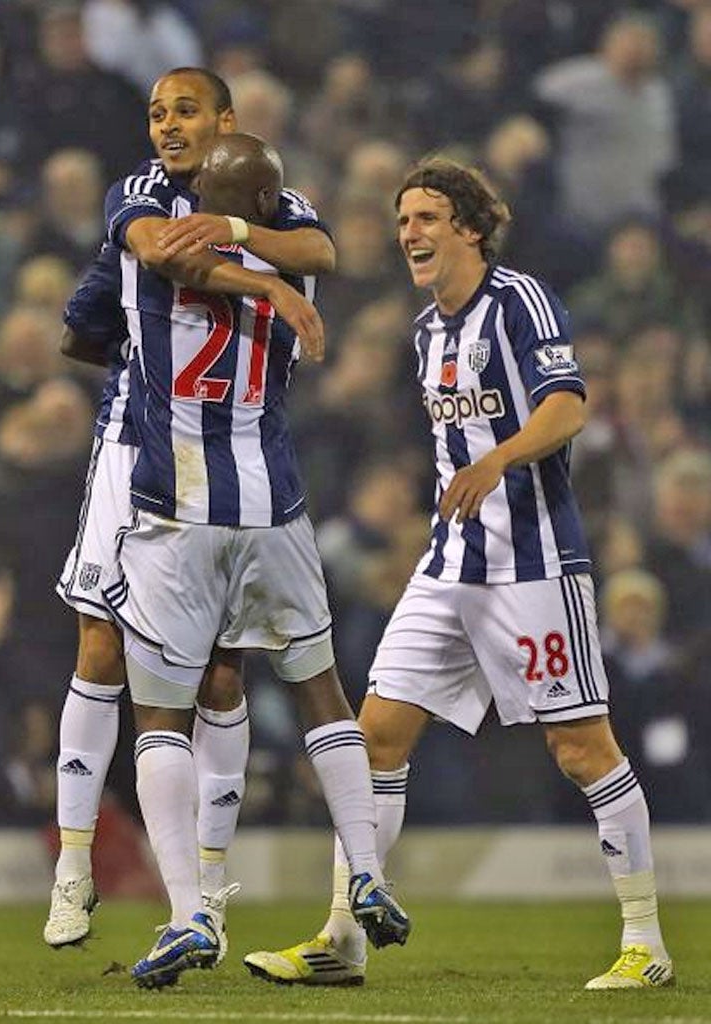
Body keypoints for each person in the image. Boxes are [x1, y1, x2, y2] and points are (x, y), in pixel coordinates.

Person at [244, 158, 674, 991]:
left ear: (470, 227)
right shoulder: (423, 332)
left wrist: (500, 461)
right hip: (447, 566)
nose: (410, 232)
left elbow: (569, 403)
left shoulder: (519, 301)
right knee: (372, 741)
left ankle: (645, 941)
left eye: (428, 217)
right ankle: (342, 939)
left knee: (580, 747)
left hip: (535, 565)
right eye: (403, 219)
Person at [102, 124, 409, 988]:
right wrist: (281, 292)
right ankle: (369, 877)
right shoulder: (291, 250)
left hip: (179, 512)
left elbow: (176, 257)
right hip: (275, 508)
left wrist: (225, 237)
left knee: (159, 713)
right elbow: (317, 247)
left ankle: (191, 911)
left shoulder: (158, 214)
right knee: (322, 693)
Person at [44, 66, 337, 954]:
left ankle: (207, 885)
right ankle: (74, 867)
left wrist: (257, 242)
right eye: (157, 113)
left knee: (221, 674)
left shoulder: (278, 201)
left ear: (225, 120)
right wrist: (267, 285)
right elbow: (156, 253)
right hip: (135, 444)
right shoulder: (139, 189)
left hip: (238, 458)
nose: (167, 125)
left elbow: (323, 252)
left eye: (184, 112)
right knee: (101, 645)